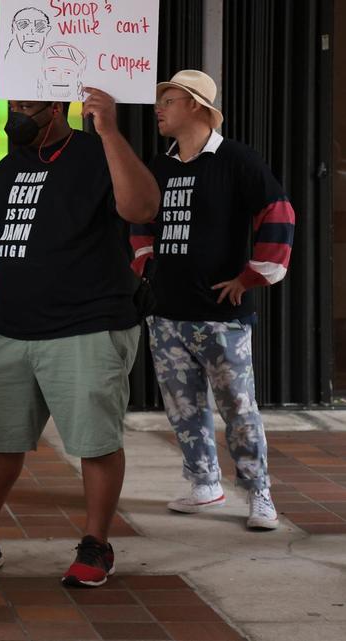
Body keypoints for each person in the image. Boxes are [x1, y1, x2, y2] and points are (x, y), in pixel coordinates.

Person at [0, 91, 160, 587]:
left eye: (27, 109)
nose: (16, 117)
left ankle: (96, 545)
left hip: (87, 325)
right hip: (9, 330)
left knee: (95, 441)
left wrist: (109, 130)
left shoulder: (96, 154)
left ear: (56, 109)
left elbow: (142, 206)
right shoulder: (7, 169)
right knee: (0, 441)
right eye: (14, 108)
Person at [130, 70, 295, 530]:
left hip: (221, 317)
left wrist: (251, 276)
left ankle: (258, 491)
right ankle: (204, 483)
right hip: (166, 313)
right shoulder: (159, 166)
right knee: (182, 406)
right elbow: (140, 219)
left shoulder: (237, 160)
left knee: (238, 407)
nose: (159, 109)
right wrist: (146, 265)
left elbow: (279, 213)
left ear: (196, 107)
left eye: (168, 101)